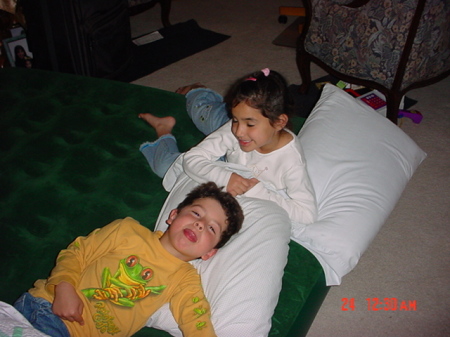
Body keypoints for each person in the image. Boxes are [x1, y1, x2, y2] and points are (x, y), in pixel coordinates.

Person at [13, 182, 244, 337]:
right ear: (173, 216)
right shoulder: (128, 231)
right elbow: (77, 252)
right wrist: (63, 287)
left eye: (211, 229)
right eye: (196, 213)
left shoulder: (185, 279)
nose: (200, 224)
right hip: (48, 311)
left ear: (209, 253)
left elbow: (196, 318)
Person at [139, 68, 317, 224]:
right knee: (202, 113)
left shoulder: (291, 162)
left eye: (249, 123)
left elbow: (307, 214)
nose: (239, 131)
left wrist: (257, 191)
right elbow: (192, 159)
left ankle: (163, 130)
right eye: (236, 120)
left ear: (279, 122)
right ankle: (197, 91)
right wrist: (227, 177)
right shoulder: (236, 129)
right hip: (228, 150)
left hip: (231, 158)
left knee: (164, 166)